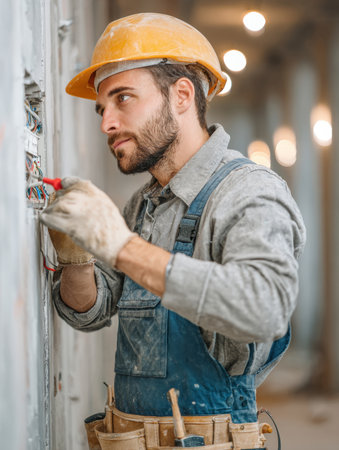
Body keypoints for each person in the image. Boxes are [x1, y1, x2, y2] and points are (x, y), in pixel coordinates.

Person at [41, 12, 306, 449]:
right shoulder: (143, 204)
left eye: (123, 99)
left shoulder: (248, 192)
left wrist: (122, 246)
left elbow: (265, 308)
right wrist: (75, 255)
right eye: (102, 108)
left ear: (182, 95)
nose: (107, 123)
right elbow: (90, 310)